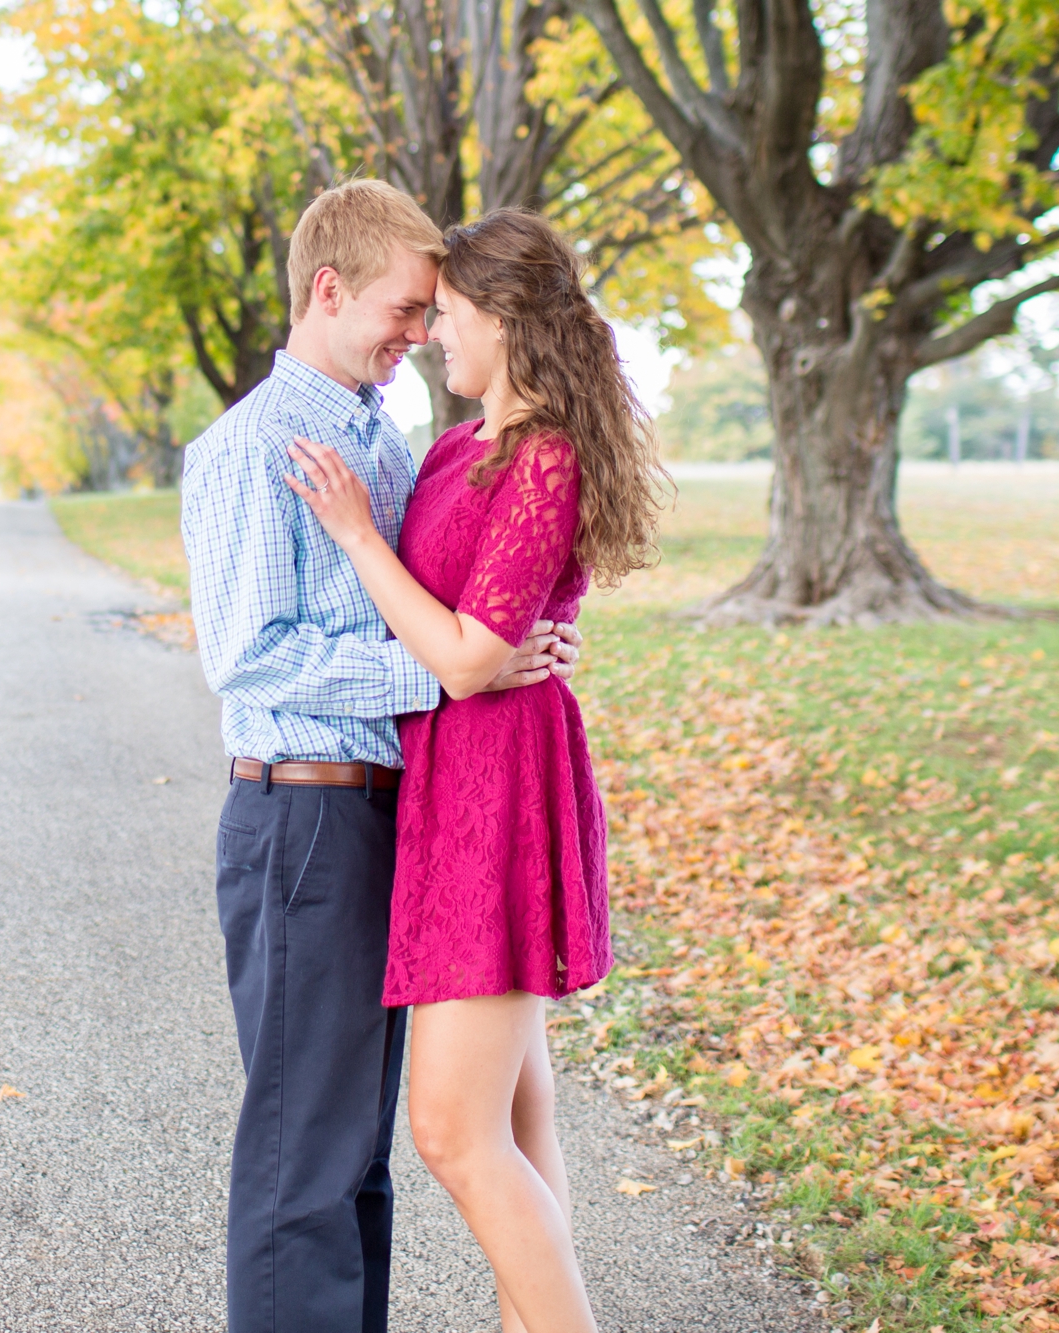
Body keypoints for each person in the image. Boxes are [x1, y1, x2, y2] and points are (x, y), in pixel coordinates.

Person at [180, 179, 583, 1333]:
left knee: (357, 1157)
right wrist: (457, 668)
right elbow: (249, 658)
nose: (418, 332)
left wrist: (509, 632)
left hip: (390, 817)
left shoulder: (384, 435)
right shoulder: (250, 446)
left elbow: (444, 593)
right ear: (327, 289)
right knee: (299, 1157)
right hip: (300, 818)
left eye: (431, 313)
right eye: (405, 309)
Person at [283, 207, 665, 1333]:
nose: (431, 334)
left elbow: (459, 660)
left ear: (501, 316)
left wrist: (358, 537)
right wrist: (492, 637)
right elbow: (463, 631)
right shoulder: (458, 445)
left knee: (452, 1132)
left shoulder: (542, 456)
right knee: (518, 1122)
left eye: (444, 314)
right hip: (448, 788)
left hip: (497, 793)